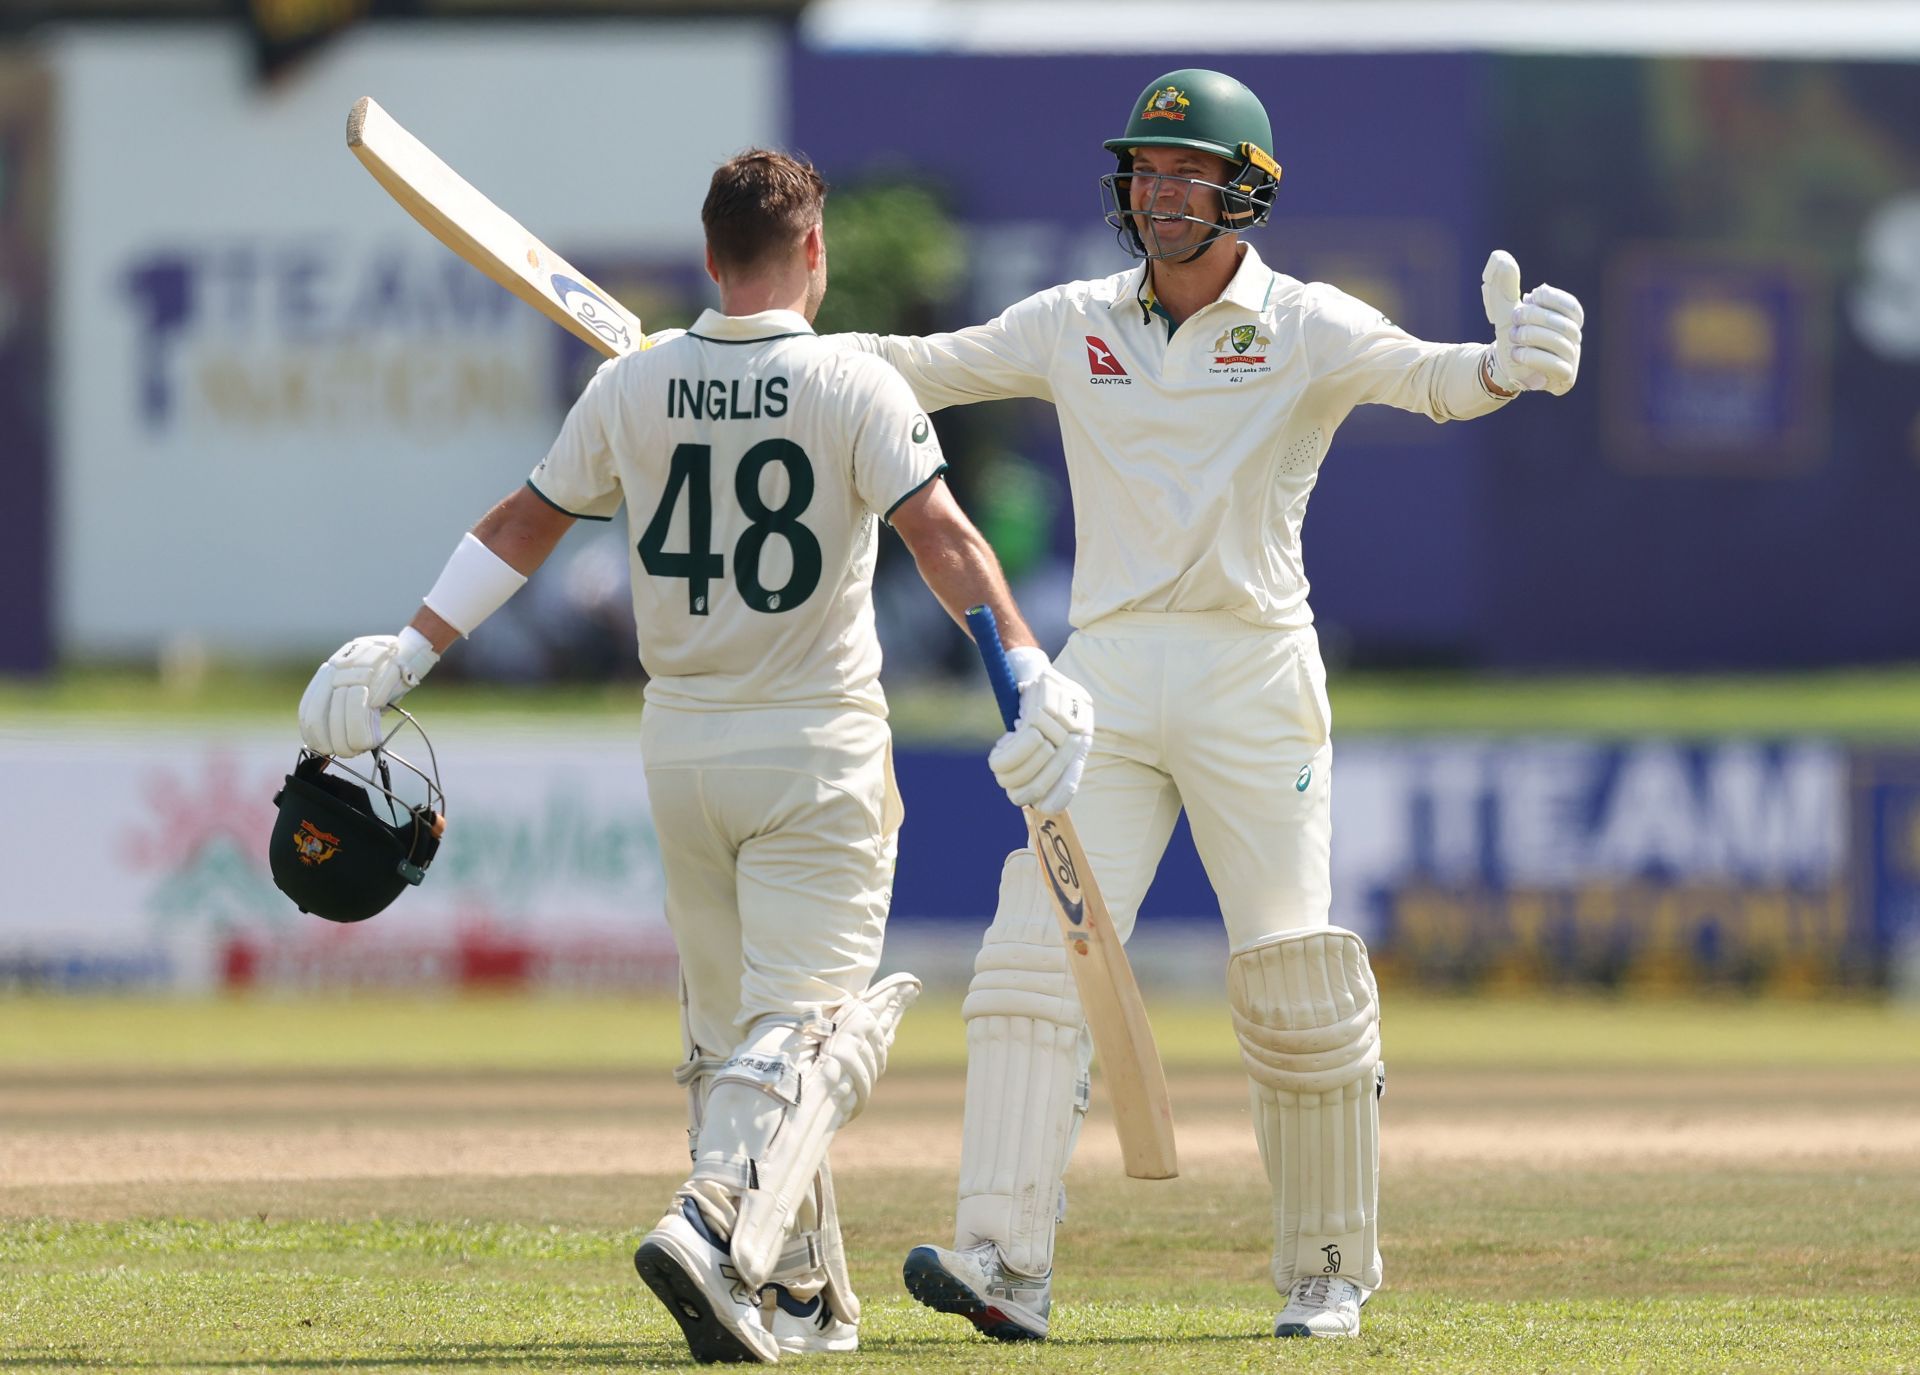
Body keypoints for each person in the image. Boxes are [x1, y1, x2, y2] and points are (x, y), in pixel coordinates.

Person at [296, 148, 1094, 1365]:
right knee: (814, 1032)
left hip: (681, 750)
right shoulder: (852, 382)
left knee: (738, 1043)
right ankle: (715, 1224)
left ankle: (803, 1294)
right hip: (816, 741)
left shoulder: (634, 382)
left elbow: (522, 527)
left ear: (711, 258)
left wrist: (402, 655)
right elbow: (942, 536)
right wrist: (1025, 671)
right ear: (814, 252)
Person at [834, 68, 1586, 1342]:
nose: (1163, 192)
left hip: (1252, 674)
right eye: (1146, 170)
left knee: (1292, 975)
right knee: (1031, 959)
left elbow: (1434, 377)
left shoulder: (1303, 323)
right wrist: (763, 352)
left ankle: (1329, 1268)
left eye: (1190, 174)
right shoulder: (1075, 316)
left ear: (1247, 190)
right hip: (1108, 676)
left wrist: (1509, 364)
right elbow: (915, 367)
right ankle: (1002, 1257)